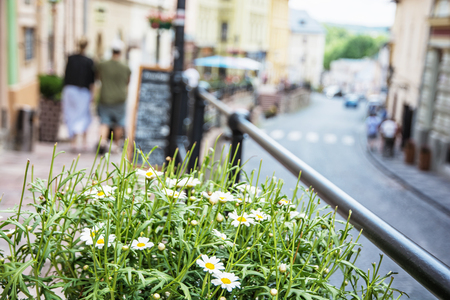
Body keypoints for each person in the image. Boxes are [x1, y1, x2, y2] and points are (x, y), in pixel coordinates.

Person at [96, 39, 131, 153]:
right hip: (120, 98)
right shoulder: (125, 67)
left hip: (106, 97)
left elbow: (99, 77)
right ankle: (116, 146)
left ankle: (102, 144)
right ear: (121, 52)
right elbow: (127, 82)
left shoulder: (103, 64)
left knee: (104, 121)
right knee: (119, 123)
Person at [62, 37, 95, 153]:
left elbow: (65, 75)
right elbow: (92, 81)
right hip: (83, 91)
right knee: (84, 115)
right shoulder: (89, 61)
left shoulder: (71, 58)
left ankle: (73, 141)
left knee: (71, 115)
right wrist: (93, 95)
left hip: (70, 90)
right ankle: (84, 142)